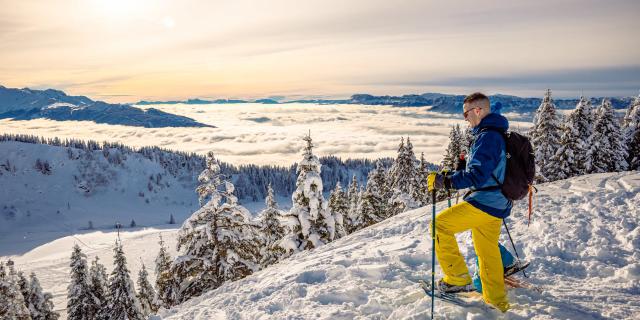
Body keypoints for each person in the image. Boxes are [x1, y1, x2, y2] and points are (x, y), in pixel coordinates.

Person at [427, 92, 512, 312]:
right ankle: (497, 301)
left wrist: (445, 182)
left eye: (466, 113)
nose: (465, 118)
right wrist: (456, 172)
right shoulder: (492, 133)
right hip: (496, 202)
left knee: (439, 225)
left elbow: (477, 176)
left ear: (478, 110)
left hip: (485, 200)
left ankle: (457, 278)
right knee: (487, 252)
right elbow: (483, 170)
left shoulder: (488, 137)